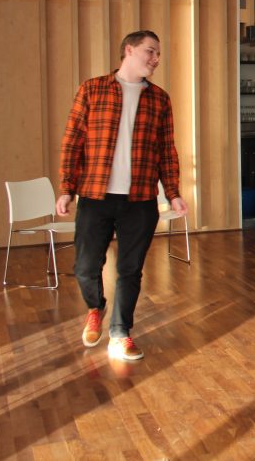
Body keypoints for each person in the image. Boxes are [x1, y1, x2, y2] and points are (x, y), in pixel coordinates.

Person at [56, 30, 187, 362]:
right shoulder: (92, 89)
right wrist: (66, 188)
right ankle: (95, 307)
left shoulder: (160, 99)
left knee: (130, 270)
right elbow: (73, 141)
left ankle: (120, 333)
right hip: (95, 195)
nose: (156, 59)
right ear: (129, 50)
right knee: (86, 267)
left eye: (158, 53)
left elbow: (165, 151)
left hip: (140, 200)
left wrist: (173, 193)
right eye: (150, 51)